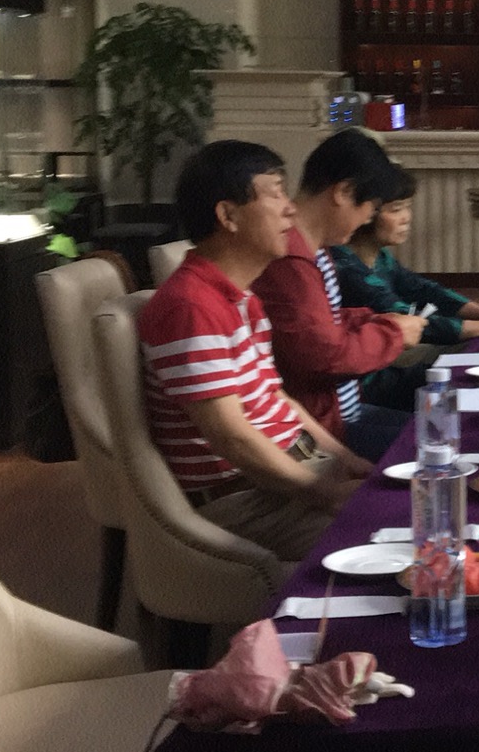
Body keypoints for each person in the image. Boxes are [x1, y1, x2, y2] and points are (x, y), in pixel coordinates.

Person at [138, 140, 375, 562]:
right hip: (246, 498)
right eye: (275, 193)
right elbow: (231, 435)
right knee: (395, 533)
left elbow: (277, 399)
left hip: (290, 474)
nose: (290, 209)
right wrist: (324, 493)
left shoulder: (242, 297)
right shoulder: (191, 306)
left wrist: (345, 459)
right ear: (228, 216)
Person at [252, 129, 425, 462]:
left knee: (448, 431)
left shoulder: (315, 250)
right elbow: (323, 356)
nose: (367, 219)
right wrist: (392, 334)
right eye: (370, 208)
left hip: (343, 410)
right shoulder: (290, 260)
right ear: (343, 192)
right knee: (443, 447)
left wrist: (373, 319)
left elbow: (321, 323)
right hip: (326, 428)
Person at [331, 164, 479, 408]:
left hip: (397, 353)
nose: (406, 218)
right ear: (367, 212)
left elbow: (425, 290)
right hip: (374, 376)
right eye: (396, 209)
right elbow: (404, 317)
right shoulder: (345, 266)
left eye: (407, 207)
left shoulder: (378, 256)